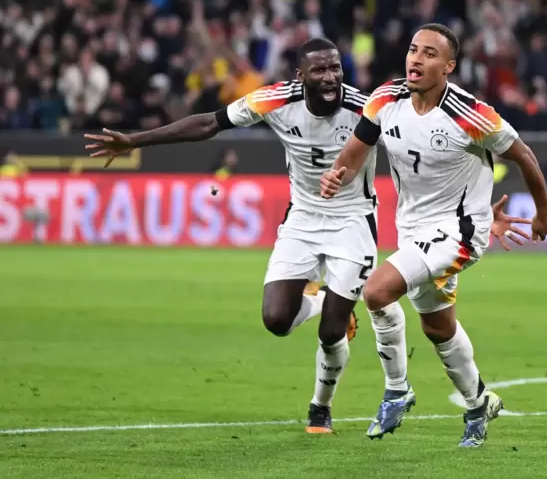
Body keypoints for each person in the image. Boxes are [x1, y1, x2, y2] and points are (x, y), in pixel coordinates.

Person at [84, 38, 407, 435]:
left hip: (353, 221)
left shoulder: (365, 108)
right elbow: (207, 123)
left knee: (331, 330)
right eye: (319, 70)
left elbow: (412, 146)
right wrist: (135, 140)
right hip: (302, 219)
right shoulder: (273, 100)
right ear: (300, 75)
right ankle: (323, 296)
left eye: (335, 68)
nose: (330, 77)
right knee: (275, 319)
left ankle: (320, 407)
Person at [320, 24, 547, 448]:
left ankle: (396, 389)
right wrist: (338, 175)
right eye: (413, 50)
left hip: (462, 231)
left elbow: (525, 157)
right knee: (437, 327)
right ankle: (478, 402)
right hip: (413, 230)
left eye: (429, 54)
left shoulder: (471, 114)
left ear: (448, 66)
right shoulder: (385, 99)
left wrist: (543, 212)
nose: (416, 59)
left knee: (376, 292)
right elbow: (356, 152)